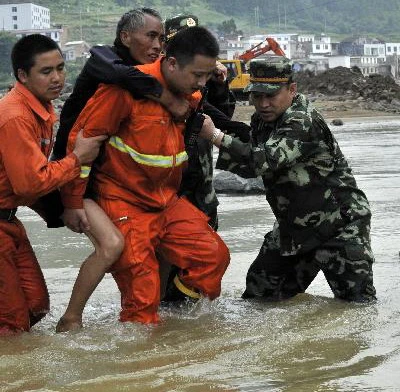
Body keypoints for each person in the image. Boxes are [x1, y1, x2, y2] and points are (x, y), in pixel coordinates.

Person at [61, 26, 230, 324]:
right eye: (198, 75)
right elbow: (83, 142)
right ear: (173, 63)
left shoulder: (188, 94)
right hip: (124, 202)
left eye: (206, 75)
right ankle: (141, 354)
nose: (202, 83)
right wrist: (73, 202)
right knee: (142, 298)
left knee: (213, 257)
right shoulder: (124, 89)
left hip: (166, 202)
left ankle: (174, 317)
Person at [199, 57, 377, 303]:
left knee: (357, 307)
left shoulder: (302, 120)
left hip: (338, 226)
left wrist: (216, 136)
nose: (263, 104)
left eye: (271, 96)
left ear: (292, 90)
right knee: (260, 294)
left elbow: (267, 159)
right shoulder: (263, 121)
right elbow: (254, 168)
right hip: (294, 228)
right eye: (257, 96)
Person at [0, 34, 106, 335]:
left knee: (35, 305)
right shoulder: (16, 116)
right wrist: (78, 159)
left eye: (60, 68)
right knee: (11, 323)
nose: (57, 78)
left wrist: (63, 210)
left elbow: (18, 180)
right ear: (23, 75)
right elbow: (30, 184)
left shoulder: (39, 109)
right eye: (46, 72)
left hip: (9, 220)